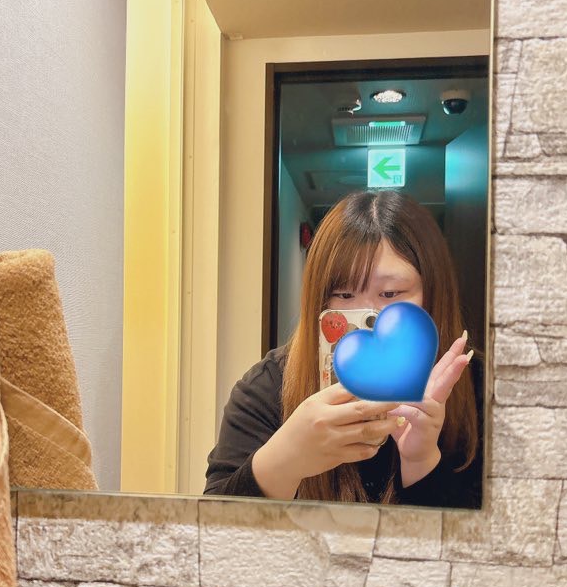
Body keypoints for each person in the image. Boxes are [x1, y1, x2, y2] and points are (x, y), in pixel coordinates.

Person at [204, 190, 481, 507]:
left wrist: (422, 463)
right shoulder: (266, 387)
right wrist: (285, 458)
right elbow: (209, 528)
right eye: (344, 295)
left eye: (391, 293)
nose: (369, 316)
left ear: (432, 293)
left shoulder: (478, 386)